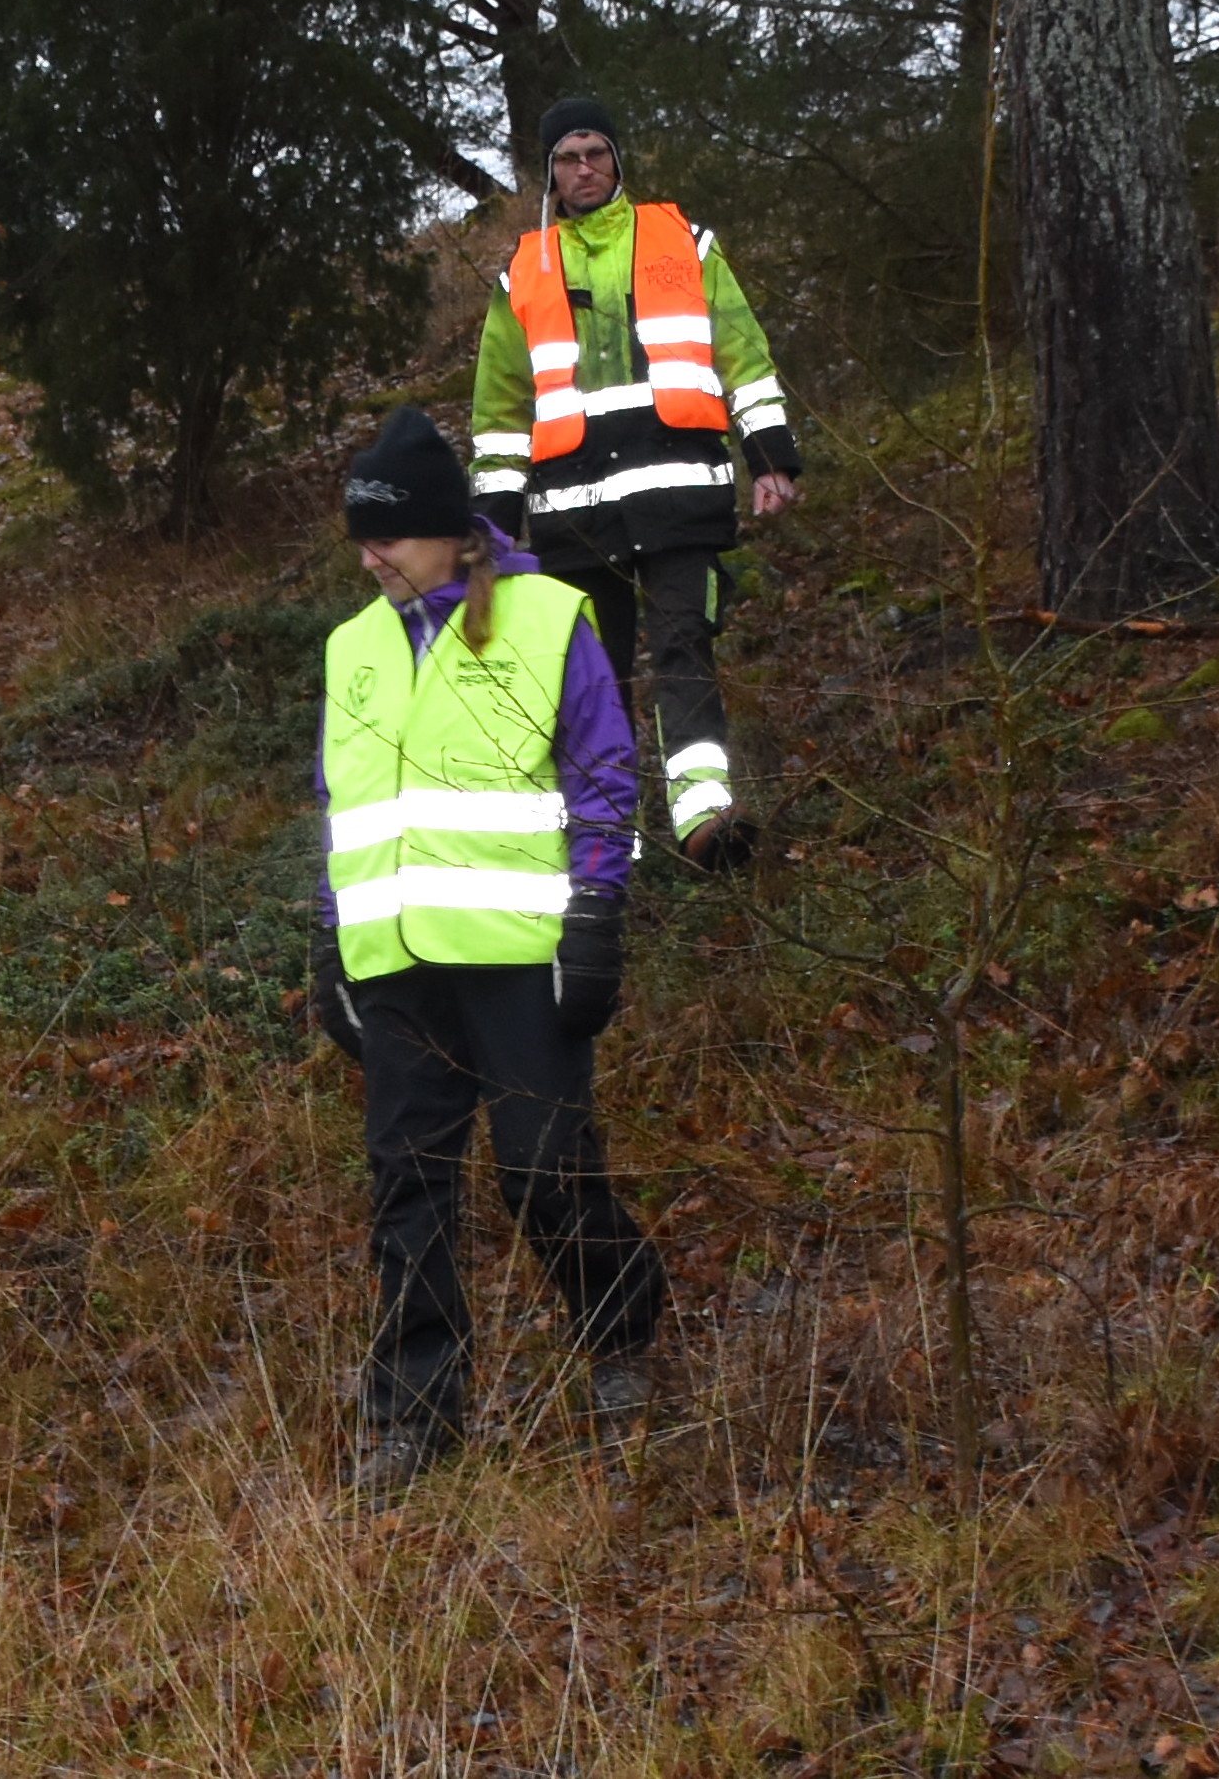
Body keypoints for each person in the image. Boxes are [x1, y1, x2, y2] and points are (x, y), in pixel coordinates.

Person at [312, 405, 667, 1495]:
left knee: (543, 1171)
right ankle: (418, 1411)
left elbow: (604, 778)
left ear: (453, 532)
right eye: (360, 539)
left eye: (389, 537)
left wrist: (598, 916)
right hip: (398, 967)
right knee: (407, 1187)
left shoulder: (550, 619)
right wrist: (333, 944)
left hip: (523, 957)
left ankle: (623, 1331)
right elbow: (344, 806)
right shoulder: (351, 646)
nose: (370, 558)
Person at [466, 95, 804, 872]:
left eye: (597, 153)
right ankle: (605, 841)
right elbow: (500, 411)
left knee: (686, 647)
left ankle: (704, 819)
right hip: (574, 517)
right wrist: (491, 523)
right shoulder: (524, 270)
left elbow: (743, 355)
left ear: (618, 159)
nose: (585, 168)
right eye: (568, 158)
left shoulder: (680, 241)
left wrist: (772, 457)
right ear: (548, 173)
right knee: (596, 678)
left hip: (680, 495)